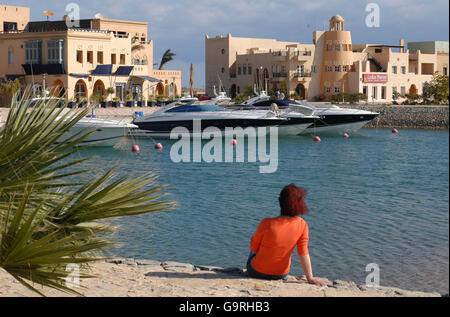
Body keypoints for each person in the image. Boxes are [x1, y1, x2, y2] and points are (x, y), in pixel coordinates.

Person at [247, 184, 326, 286]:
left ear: (280, 202)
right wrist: (310, 278)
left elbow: (253, 246)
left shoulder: (266, 223)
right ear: (299, 204)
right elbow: (303, 253)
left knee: (254, 249)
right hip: (281, 274)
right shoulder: (303, 225)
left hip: (257, 272)